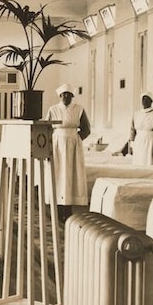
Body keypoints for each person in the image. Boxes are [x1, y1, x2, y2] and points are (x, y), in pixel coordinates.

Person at [45, 83, 91, 220]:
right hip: (57, 144)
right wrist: (48, 146)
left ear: (72, 96)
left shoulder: (79, 109)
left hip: (73, 146)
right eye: (63, 94)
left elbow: (86, 129)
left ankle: (68, 209)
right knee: (58, 175)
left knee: (71, 175)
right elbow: (47, 129)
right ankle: (58, 209)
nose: (66, 97)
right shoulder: (53, 109)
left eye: (69, 95)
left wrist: (75, 140)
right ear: (60, 96)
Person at [129, 91, 153, 165]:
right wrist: (131, 145)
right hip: (138, 141)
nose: (144, 101)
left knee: (148, 161)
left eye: (147, 99)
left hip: (150, 140)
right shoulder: (136, 114)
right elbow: (132, 130)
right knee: (138, 161)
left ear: (151, 101)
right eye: (143, 99)